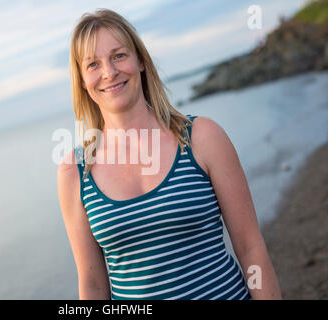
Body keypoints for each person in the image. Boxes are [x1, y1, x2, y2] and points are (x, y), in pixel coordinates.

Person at [57, 8, 281, 300]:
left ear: (139, 61)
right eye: (93, 64)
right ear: (83, 81)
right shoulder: (75, 172)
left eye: (119, 55)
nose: (109, 72)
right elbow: (93, 285)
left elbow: (251, 247)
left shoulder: (202, 137)